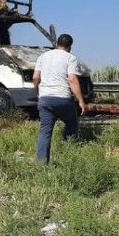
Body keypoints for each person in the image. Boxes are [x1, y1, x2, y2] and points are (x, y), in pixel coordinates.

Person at [32, 34, 89, 165]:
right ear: (70, 46)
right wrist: (81, 101)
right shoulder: (70, 58)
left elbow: (35, 78)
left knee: (45, 131)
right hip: (63, 98)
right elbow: (72, 79)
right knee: (71, 124)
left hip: (45, 99)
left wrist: (38, 93)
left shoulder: (43, 56)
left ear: (57, 43)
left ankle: (42, 165)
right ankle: (68, 158)